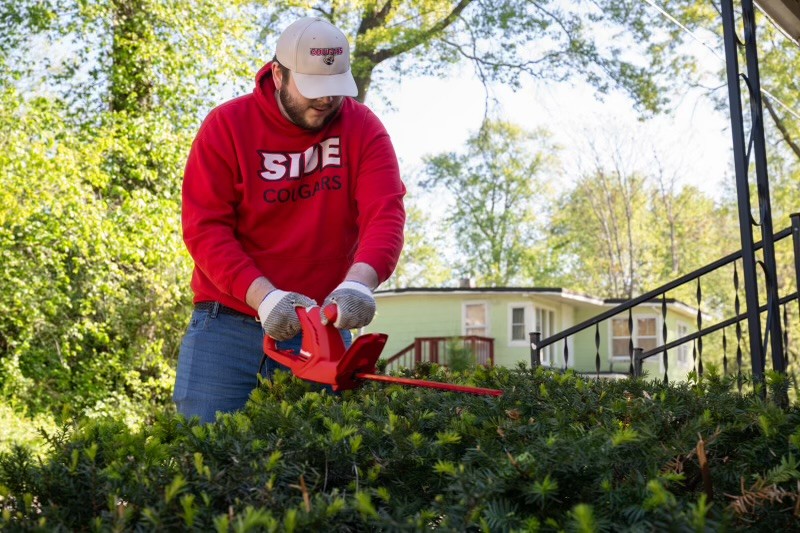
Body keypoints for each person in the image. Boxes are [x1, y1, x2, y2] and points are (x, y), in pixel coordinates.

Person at [173, 16, 406, 424]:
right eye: (313, 88)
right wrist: (264, 297)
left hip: (320, 328)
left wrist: (358, 284)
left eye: (334, 89)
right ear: (278, 74)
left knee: (321, 465)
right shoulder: (226, 127)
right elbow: (205, 229)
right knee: (205, 460)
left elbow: (384, 214)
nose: (326, 101)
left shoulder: (363, 129)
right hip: (224, 324)